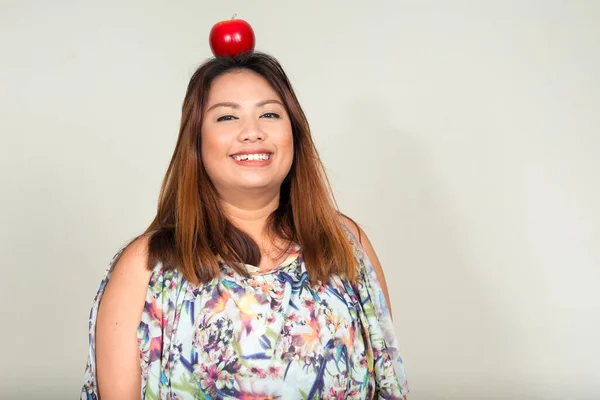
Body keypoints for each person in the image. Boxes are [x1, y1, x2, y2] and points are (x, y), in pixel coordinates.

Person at [81, 51, 409, 400]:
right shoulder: (145, 266)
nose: (252, 132)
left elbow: (387, 383)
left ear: (294, 134)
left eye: (269, 114)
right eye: (226, 117)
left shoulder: (345, 244)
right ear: (196, 142)